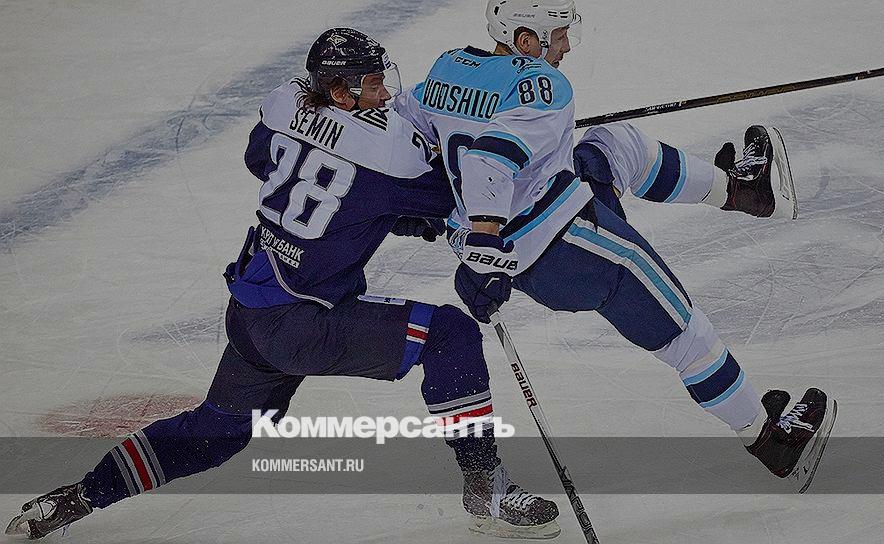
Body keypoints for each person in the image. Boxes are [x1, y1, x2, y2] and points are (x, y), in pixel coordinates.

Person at [5, 28, 561, 541]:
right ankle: (486, 489)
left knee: (218, 430)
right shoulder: (391, 151)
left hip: (254, 309)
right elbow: (454, 197)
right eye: (373, 83)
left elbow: (265, 162)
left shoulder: (285, 104)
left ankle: (78, 497)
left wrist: (371, 206)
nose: (386, 93)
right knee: (449, 335)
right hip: (306, 322)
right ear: (341, 92)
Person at [393, 0, 836, 492]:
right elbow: (485, 163)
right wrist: (483, 246)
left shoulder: (448, 68)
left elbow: (404, 139)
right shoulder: (542, 85)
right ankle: (769, 440)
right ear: (526, 41)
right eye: (558, 35)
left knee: (610, 147)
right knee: (683, 331)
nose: (565, 46)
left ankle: (745, 190)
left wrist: (414, 211)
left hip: (528, 231)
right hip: (564, 249)